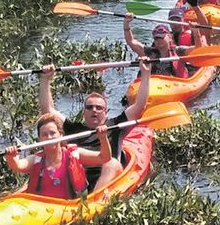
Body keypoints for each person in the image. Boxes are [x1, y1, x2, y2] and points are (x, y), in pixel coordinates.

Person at [39, 58, 151, 191]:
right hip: (78, 177)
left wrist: (145, 74)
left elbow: (139, 106)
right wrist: (45, 79)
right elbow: (48, 110)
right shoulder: (73, 128)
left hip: (108, 177)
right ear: (84, 112)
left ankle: (95, 201)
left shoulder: (115, 126)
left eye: (99, 108)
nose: (94, 110)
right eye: (90, 107)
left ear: (106, 112)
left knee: (112, 163)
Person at [5, 113, 112, 199]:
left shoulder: (74, 153)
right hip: (42, 209)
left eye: (52, 133)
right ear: (39, 138)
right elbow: (17, 166)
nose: (49, 137)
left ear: (60, 135)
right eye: (44, 135)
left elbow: (104, 158)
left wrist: (103, 138)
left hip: (70, 207)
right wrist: (11, 157)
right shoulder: (35, 159)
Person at [123, 14, 205, 78]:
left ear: (169, 37)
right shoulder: (150, 52)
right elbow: (131, 41)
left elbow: (198, 49)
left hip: (173, 83)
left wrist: (196, 32)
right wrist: (126, 23)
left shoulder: (179, 51)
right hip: (154, 84)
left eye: (161, 38)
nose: (159, 41)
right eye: (156, 38)